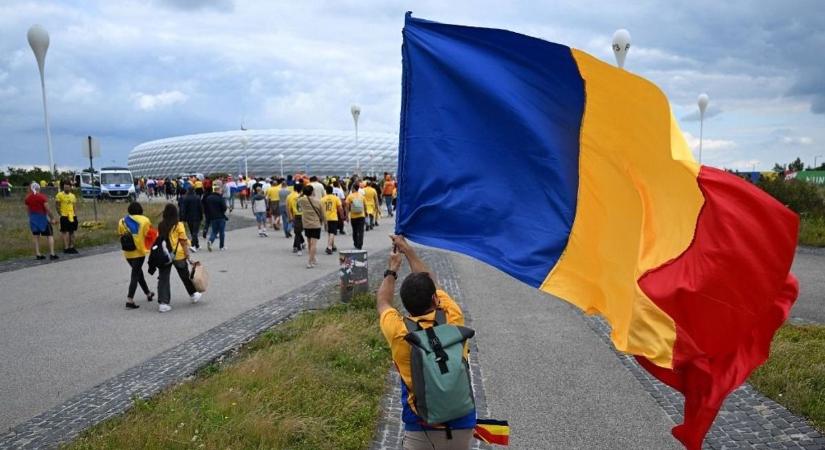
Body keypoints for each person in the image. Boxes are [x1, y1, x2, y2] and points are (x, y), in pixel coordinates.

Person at [377, 235, 476, 449]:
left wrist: (392, 269)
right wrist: (409, 251)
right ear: (435, 299)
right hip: (463, 423)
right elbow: (433, 281)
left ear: (405, 306)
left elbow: (383, 302)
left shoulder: (399, 332)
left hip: (421, 428)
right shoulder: (453, 316)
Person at [155, 203, 201, 312]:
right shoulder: (179, 225)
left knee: (163, 278)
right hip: (178, 255)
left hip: (165, 254)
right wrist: (188, 257)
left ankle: (163, 303)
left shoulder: (161, 225)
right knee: (185, 276)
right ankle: (193, 294)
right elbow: (184, 242)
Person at [118, 202, 155, 309]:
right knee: (135, 274)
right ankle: (130, 299)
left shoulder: (122, 221)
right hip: (139, 252)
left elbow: (120, 234)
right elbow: (148, 234)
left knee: (138, 272)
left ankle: (148, 293)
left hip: (128, 252)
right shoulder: (145, 220)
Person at [25, 182, 58, 260]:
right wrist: (52, 218)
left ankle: (38, 254)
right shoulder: (42, 197)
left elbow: (27, 210)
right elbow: (48, 209)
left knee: (36, 236)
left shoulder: (27, 198)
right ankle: (52, 253)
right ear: (38, 188)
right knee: (49, 235)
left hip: (33, 218)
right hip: (43, 218)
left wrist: (31, 217)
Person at [297, 184, 325, 268]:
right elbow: (322, 214)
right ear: (312, 191)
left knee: (309, 242)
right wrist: (324, 222)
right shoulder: (318, 201)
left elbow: (299, 199)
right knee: (314, 244)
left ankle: (312, 258)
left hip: (306, 224)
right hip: (316, 224)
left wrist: (303, 193)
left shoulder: (301, 200)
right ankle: (310, 261)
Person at [55, 180, 79, 254]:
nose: (67, 188)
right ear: (63, 187)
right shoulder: (59, 195)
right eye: (65, 187)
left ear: (70, 187)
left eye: (68, 187)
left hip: (72, 215)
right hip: (64, 215)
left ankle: (72, 246)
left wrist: (75, 214)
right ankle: (66, 247)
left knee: (72, 232)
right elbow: (57, 205)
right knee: (64, 232)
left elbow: (74, 206)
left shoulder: (73, 196)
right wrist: (60, 213)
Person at [320, 184, 343, 255]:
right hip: (333, 217)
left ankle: (333, 245)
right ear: (332, 191)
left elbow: (320, 209)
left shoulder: (322, 199)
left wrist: (321, 219)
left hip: (325, 218)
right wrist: (342, 216)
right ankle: (329, 247)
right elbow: (340, 208)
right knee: (332, 232)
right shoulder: (335, 198)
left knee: (330, 232)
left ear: (326, 191)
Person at [179, 187, 203, 252]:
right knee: (195, 232)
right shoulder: (197, 198)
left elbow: (183, 209)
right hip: (197, 217)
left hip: (189, 218)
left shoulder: (185, 198)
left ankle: (197, 245)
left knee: (192, 231)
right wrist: (201, 216)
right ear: (194, 191)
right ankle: (193, 245)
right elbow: (200, 208)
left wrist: (183, 218)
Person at [205, 184, 227, 251]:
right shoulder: (220, 198)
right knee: (222, 232)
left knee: (214, 231)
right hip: (220, 217)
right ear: (218, 190)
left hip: (213, 217)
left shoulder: (208, 198)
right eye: (220, 190)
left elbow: (206, 208)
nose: (221, 192)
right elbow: (224, 207)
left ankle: (210, 241)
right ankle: (221, 246)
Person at [345, 182, 366, 250]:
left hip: (353, 217)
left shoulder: (350, 196)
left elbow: (347, 207)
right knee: (361, 231)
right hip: (361, 216)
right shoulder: (362, 196)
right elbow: (365, 206)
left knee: (355, 231)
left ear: (353, 188)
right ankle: (360, 244)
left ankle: (356, 243)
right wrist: (365, 212)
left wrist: (347, 215)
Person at [287, 181, 305, 255]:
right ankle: (298, 248)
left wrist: (290, 216)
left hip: (295, 215)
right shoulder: (302, 197)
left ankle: (297, 245)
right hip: (302, 215)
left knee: (298, 231)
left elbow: (288, 208)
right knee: (298, 232)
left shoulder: (289, 196)